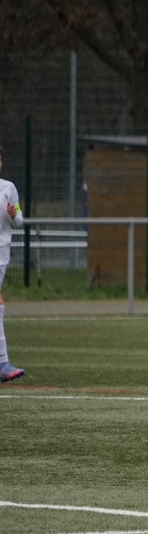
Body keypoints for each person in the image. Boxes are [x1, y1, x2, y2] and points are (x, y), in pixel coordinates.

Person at [0, 144, 26, 383]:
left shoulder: (8, 188)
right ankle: (2, 363)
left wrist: (13, 214)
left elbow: (19, 220)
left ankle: (3, 363)